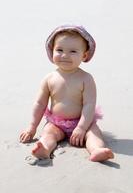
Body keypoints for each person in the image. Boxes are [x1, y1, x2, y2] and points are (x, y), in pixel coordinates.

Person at [20, 25, 114, 162]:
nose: (65, 55)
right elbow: (40, 104)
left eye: (73, 51)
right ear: (51, 51)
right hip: (56, 123)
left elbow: (89, 104)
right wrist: (32, 127)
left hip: (82, 121)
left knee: (94, 133)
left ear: (85, 55)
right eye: (59, 50)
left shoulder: (86, 79)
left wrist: (82, 128)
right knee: (48, 133)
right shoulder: (49, 78)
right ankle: (45, 149)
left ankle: (96, 150)